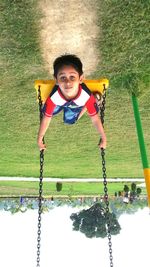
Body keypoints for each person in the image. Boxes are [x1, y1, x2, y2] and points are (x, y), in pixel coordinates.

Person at [37, 54, 106, 151]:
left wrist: (103, 138)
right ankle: (60, 106)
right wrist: (40, 138)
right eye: (62, 78)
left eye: (72, 77)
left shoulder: (86, 96)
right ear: (56, 80)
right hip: (59, 102)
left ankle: (89, 104)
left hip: (76, 105)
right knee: (48, 111)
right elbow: (46, 119)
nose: (68, 82)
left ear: (81, 79)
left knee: (69, 121)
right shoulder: (53, 98)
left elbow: (95, 119)